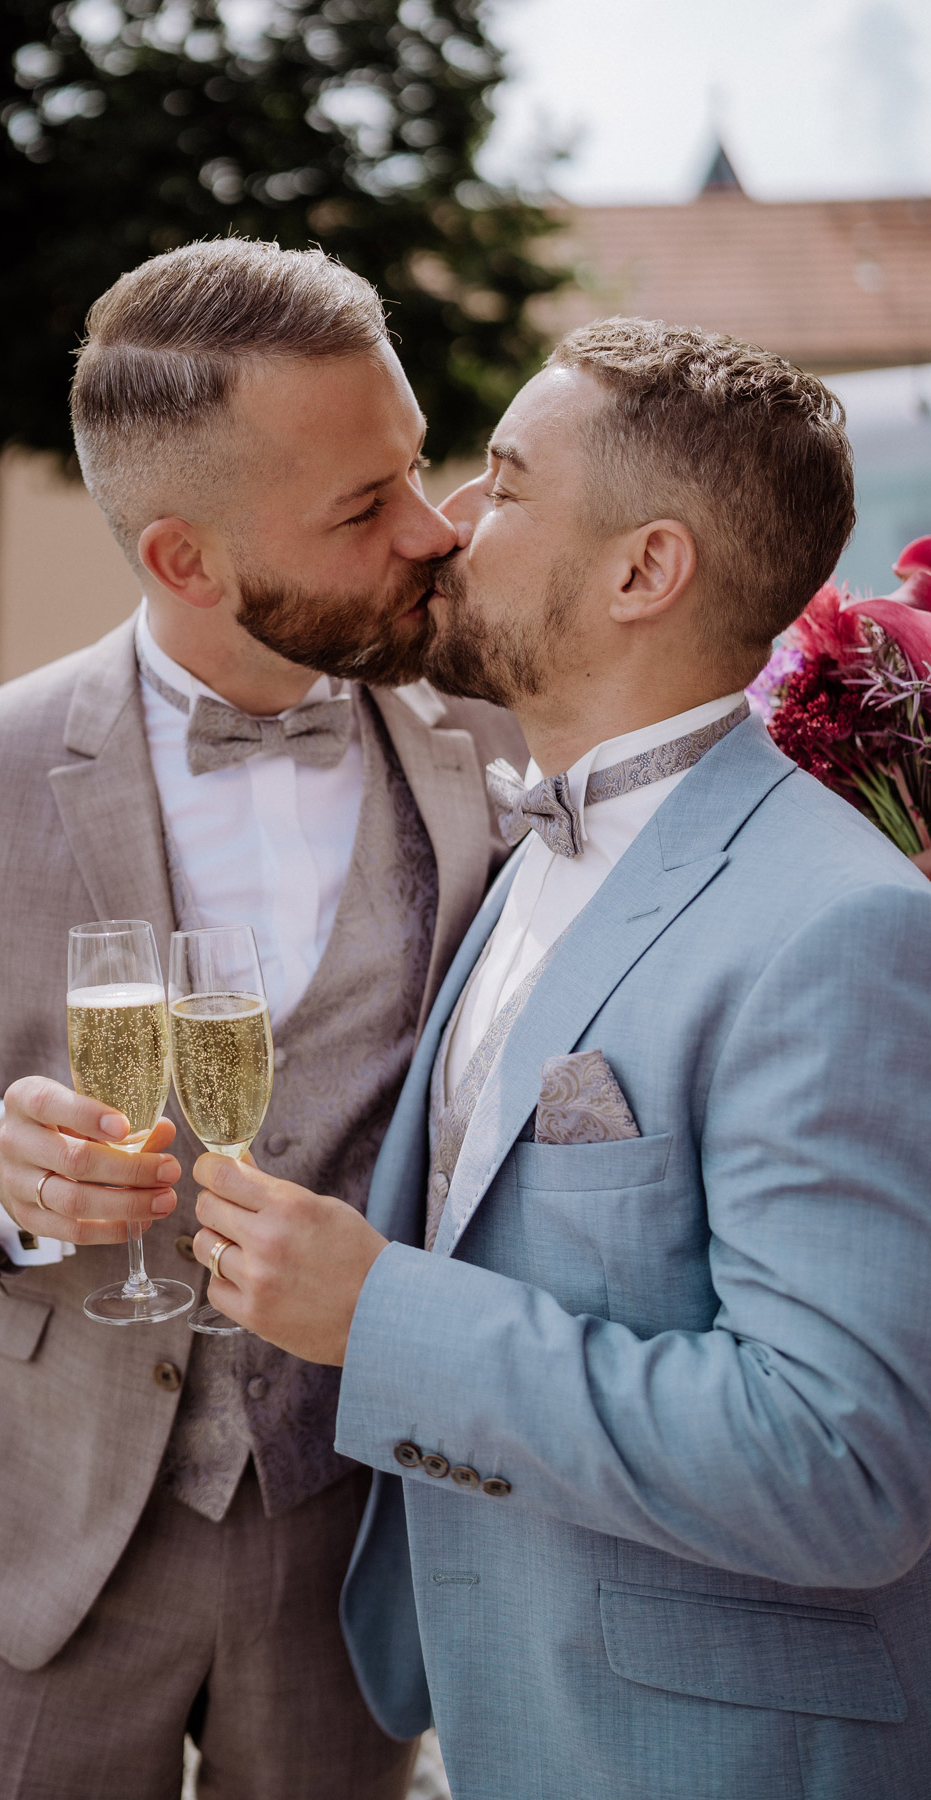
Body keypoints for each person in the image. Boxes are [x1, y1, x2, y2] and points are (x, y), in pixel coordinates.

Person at [0, 239, 525, 1800]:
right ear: (185, 561)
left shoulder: (489, 736)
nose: (434, 529)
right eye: (363, 509)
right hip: (55, 1542)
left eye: (419, 467)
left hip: (352, 1521)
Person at [189, 318, 931, 1800]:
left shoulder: (838, 928)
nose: (447, 524)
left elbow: (842, 1463)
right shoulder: (523, 849)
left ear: (644, 570)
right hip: (511, 1704)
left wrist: (381, 1315)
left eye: (504, 483)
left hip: (717, 1752)